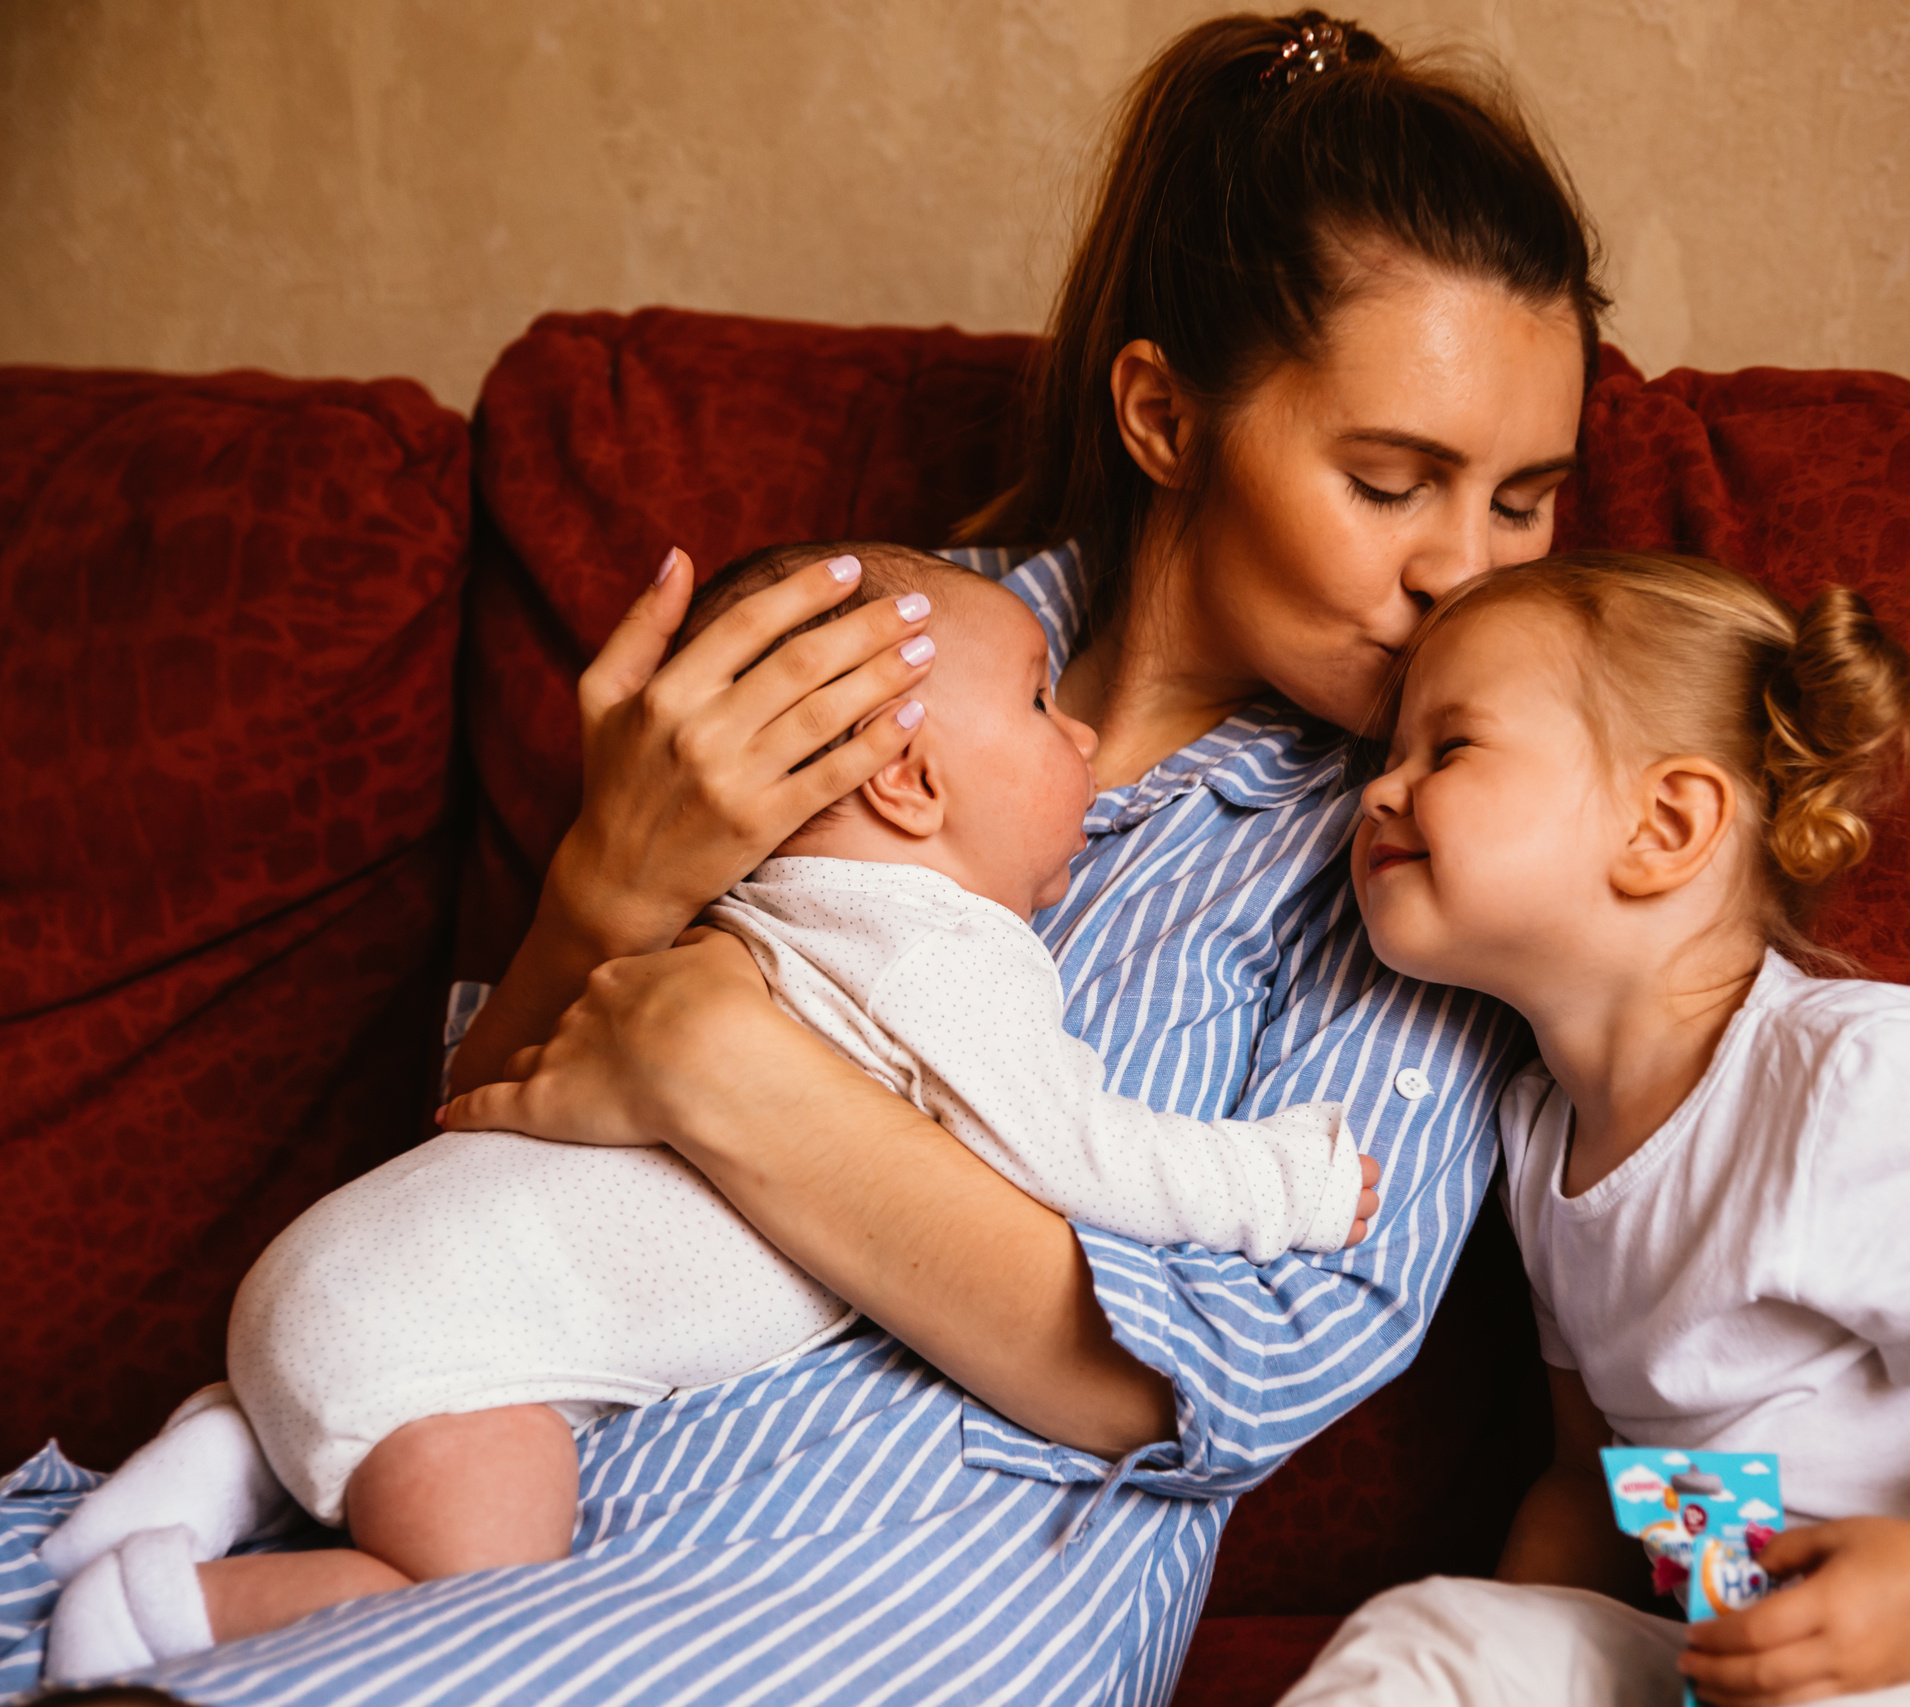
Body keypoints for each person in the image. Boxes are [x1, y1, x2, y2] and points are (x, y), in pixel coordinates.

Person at [5, 11, 1604, 1703]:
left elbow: (1226, 1372)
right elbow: (481, 1167)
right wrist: (601, 891)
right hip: (504, 1482)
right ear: (1163, 415)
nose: (1466, 571)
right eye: (1389, 481)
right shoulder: (855, 652)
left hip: (908, 1580)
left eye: (1522, 501)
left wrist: (727, 1070)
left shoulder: (1438, 835)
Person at [37, 543, 1381, 1686]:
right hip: (449, 1361)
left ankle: (211, 1459)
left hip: (343, 1274)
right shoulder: (940, 949)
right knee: (473, 1583)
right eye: (1043, 706)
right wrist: (1289, 1182)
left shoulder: (766, 908)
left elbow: (497, 1109)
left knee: (370, 1382)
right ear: (906, 784)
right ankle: (164, 1611)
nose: (1077, 737)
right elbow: (1075, 1145)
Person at [1278, 551, 1910, 1706]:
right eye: (1388, 755)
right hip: (1761, 1648)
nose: (1377, 792)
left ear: (1664, 823)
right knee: (1432, 1638)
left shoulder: (1857, 1071)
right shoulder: (1539, 1138)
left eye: (1445, 749)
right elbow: (1589, 1482)